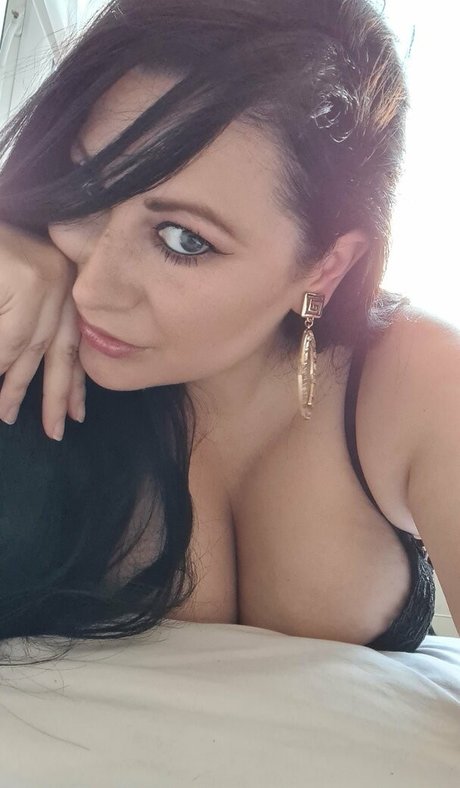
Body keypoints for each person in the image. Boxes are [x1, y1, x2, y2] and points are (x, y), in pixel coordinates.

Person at [0, 0, 457, 667]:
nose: (93, 287)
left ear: (327, 266)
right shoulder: (24, 330)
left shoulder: (419, 380)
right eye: (89, 187)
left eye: (183, 239)